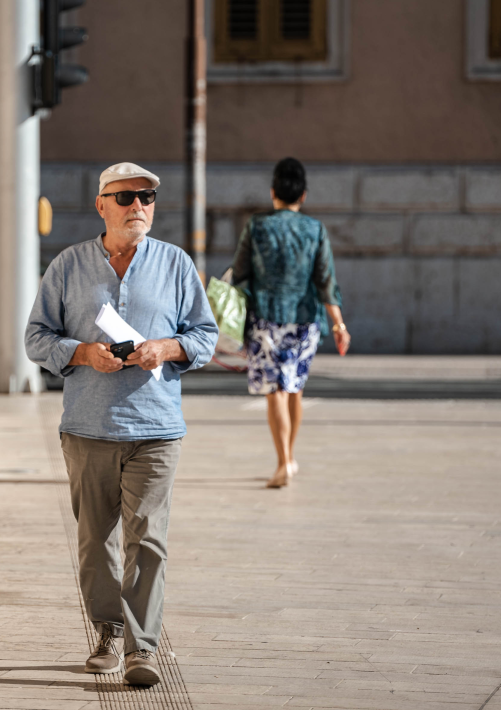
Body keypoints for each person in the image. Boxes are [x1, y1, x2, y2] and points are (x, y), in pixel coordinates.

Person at [25, 162, 218, 686]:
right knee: (95, 543)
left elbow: (205, 336)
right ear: (101, 205)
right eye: (127, 197)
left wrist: (166, 348)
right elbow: (36, 337)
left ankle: (142, 648)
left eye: (147, 197)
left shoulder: (176, 264)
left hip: (156, 430)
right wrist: (83, 352)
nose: (139, 206)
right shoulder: (68, 265)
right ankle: (107, 631)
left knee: (148, 541)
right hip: (87, 429)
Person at [230, 157, 350, 489]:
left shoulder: (257, 226)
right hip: (305, 320)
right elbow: (326, 281)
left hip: (266, 318)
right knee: (294, 388)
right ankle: (290, 457)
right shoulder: (315, 229)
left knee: (275, 391)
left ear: (273, 192)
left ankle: (283, 462)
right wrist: (339, 325)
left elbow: (239, 273)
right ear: (303, 195)